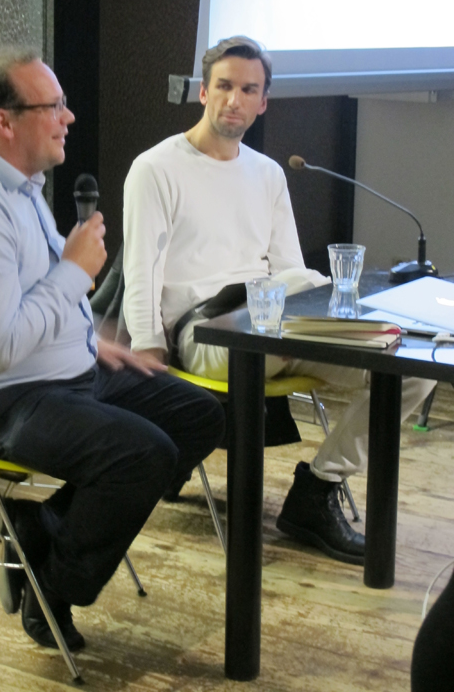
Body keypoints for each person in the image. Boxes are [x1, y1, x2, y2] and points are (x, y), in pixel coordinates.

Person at [0, 47, 224, 652]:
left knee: (198, 415)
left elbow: (33, 296)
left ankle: (40, 525)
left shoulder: (17, 184)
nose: (68, 117)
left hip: (56, 372)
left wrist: (91, 340)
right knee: (142, 455)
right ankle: (52, 584)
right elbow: (1, 347)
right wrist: (76, 271)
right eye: (53, 106)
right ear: (4, 121)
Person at [123, 35, 435, 566]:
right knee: (301, 291)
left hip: (276, 324)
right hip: (207, 332)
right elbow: (140, 271)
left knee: (412, 366)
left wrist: (329, 309)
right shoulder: (156, 169)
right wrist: (148, 353)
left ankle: (317, 489)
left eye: (249, 90)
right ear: (204, 92)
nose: (235, 100)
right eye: (224, 86)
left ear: (263, 101)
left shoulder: (266, 173)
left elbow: (291, 269)